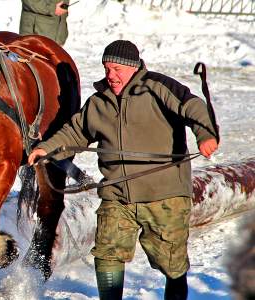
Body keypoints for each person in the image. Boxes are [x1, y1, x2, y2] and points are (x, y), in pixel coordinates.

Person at [28, 40, 219, 299]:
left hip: (165, 195)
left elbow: (191, 105)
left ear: (132, 67)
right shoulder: (99, 102)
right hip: (117, 194)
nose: (110, 75)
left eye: (117, 68)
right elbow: (76, 131)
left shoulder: (157, 87)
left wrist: (205, 135)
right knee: (107, 255)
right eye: (106, 68)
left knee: (172, 263)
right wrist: (46, 148)